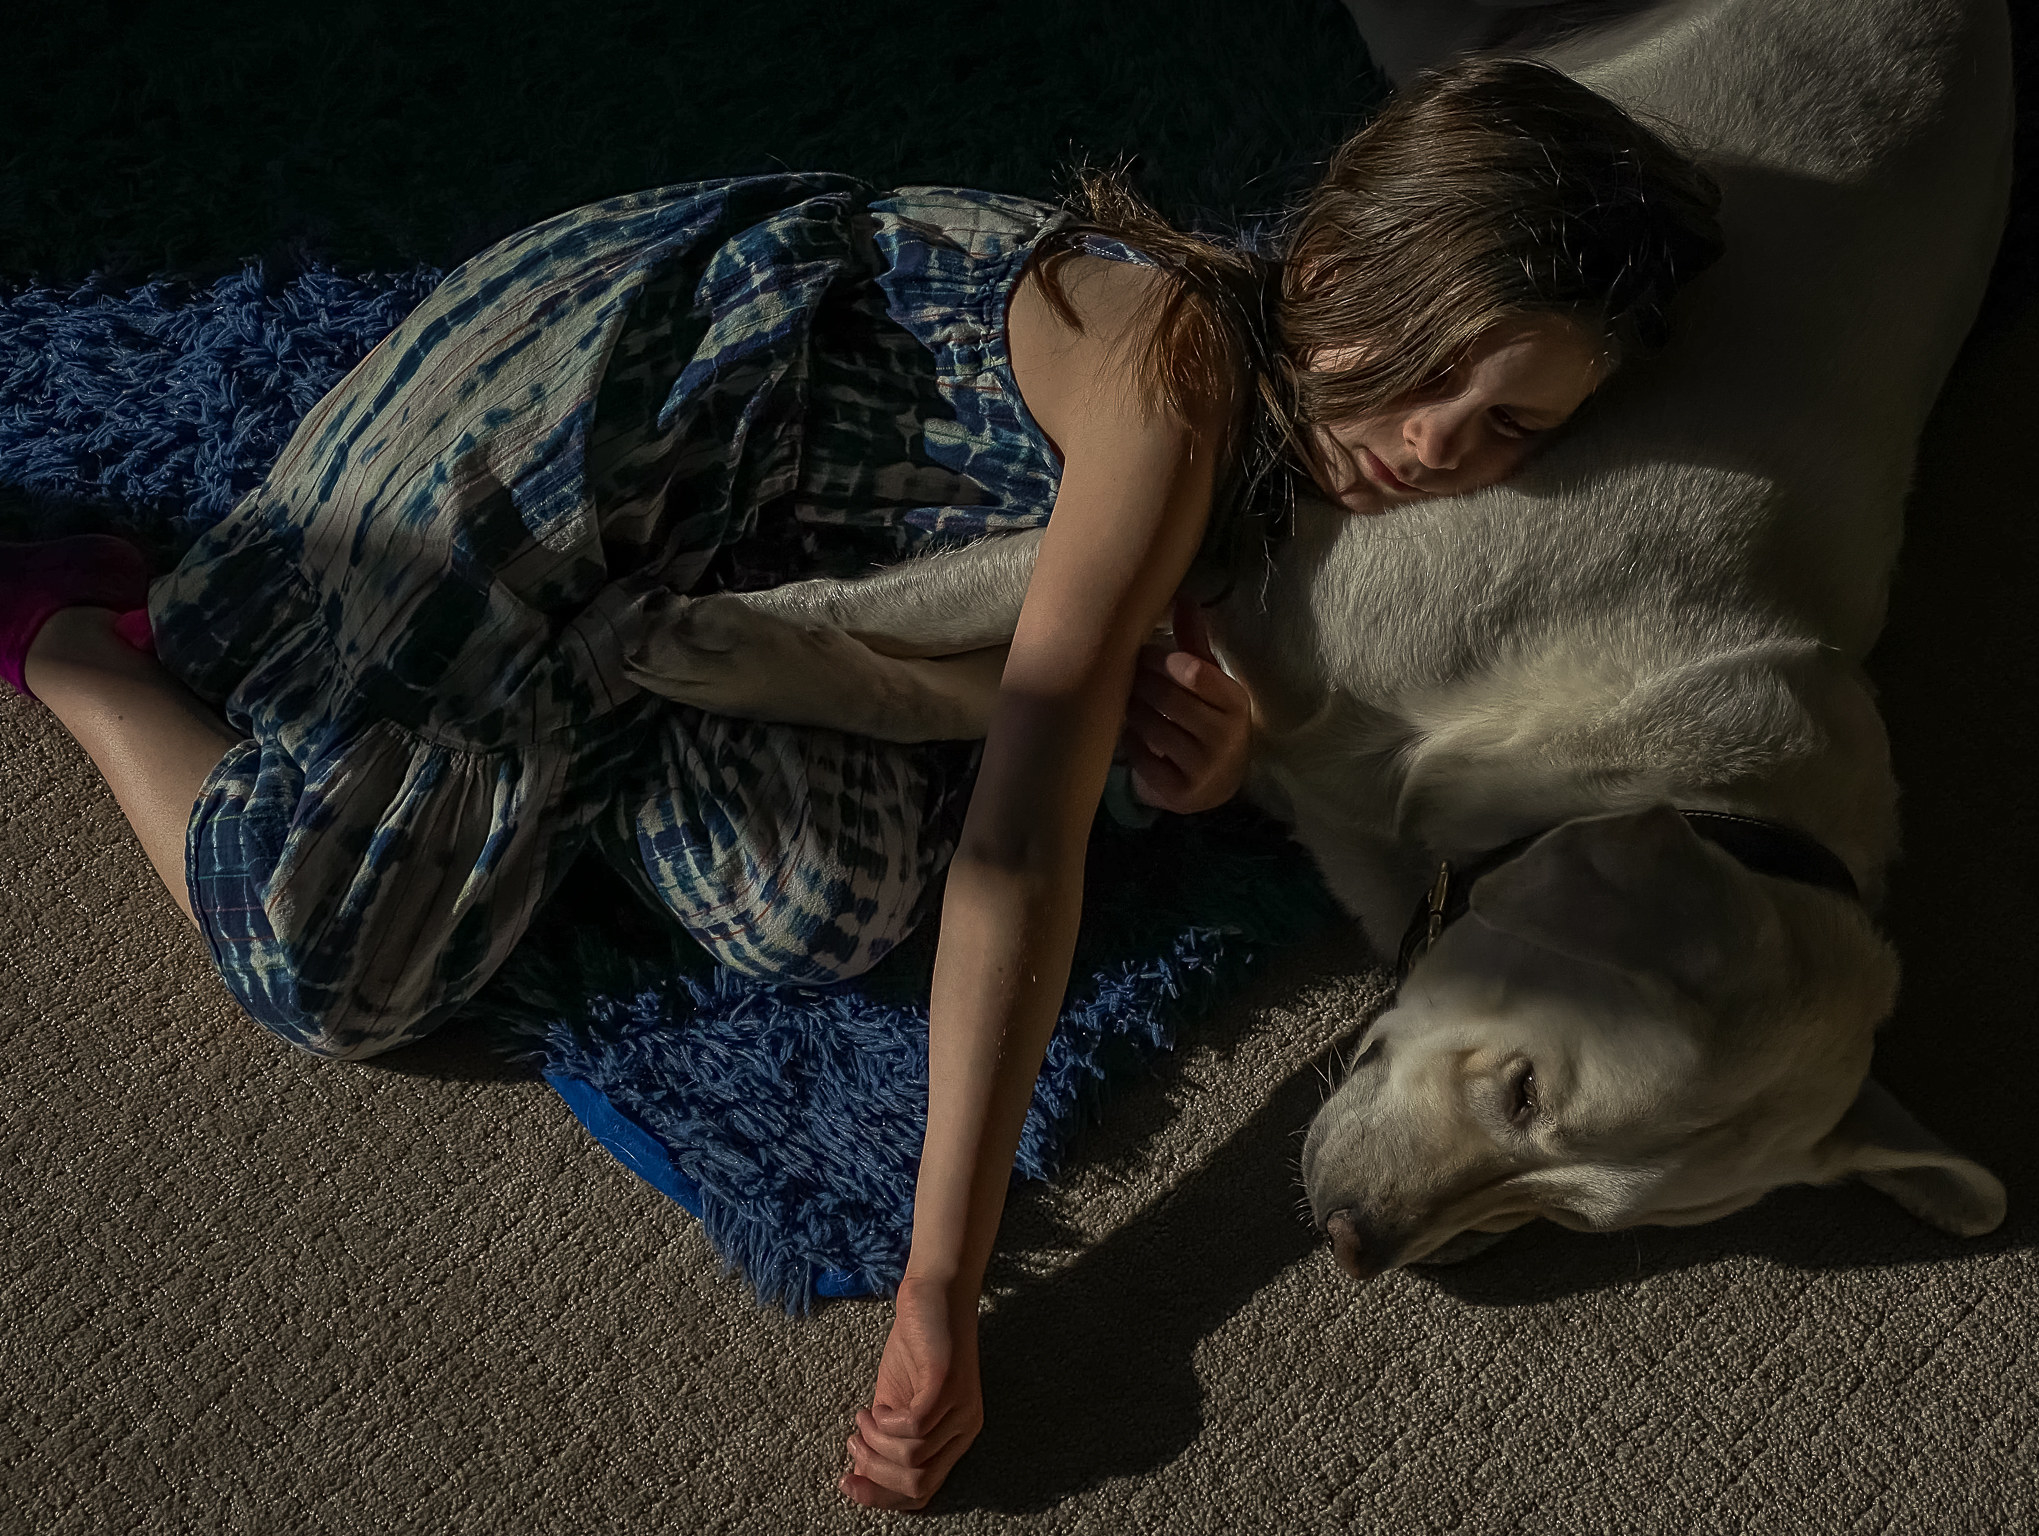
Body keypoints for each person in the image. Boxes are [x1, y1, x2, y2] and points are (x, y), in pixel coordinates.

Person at [0, 57, 1720, 1510]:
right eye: (1433, 378)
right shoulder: (1175, 380)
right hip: (593, 435)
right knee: (337, 967)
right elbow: (1018, 847)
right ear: (1340, 272)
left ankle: (613, 695)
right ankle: (83, 643)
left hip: (749, 561)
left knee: (823, 904)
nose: (1437, 449)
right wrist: (941, 1281)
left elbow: (1034, 666)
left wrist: (1158, 718)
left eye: (1508, 432)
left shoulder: (1283, 498)